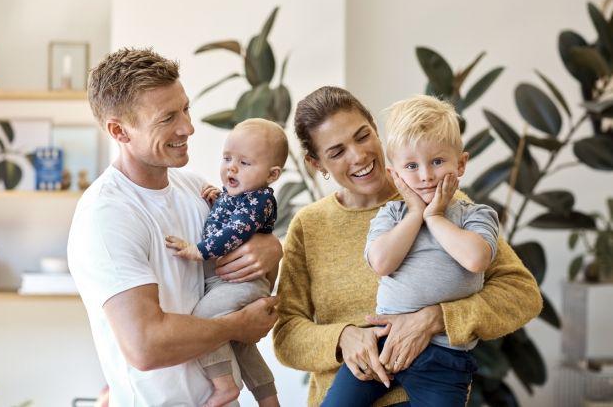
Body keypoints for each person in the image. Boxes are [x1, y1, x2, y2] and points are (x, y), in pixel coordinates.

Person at [272, 86, 543, 406]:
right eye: (337, 151)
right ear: (316, 164)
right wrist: (343, 337)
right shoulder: (309, 225)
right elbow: (287, 333)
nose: (358, 156)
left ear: (376, 129)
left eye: (362, 136)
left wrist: (437, 319)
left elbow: (522, 294)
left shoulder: (445, 206)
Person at [67, 48, 282, 406]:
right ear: (120, 130)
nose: (188, 127)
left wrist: (270, 251)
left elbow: (248, 295)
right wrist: (236, 327)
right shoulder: (106, 216)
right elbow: (145, 345)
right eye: (167, 117)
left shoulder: (199, 190)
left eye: (185, 109)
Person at [321, 95, 499, 406]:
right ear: (396, 175)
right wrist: (416, 214)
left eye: (438, 162)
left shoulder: (475, 215)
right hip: (381, 342)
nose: (426, 175)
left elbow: (476, 259)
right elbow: (380, 262)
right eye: (412, 166)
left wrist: (435, 217)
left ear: (461, 164)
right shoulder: (391, 215)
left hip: (444, 357)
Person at [166, 118, 288, 407]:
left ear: (271, 174)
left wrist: (199, 250)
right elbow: (228, 214)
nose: (231, 167)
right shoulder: (236, 195)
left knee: (202, 322)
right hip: (230, 284)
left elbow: (236, 231)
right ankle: (268, 399)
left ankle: (224, 386)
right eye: (227, 158)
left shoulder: (260, 201)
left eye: (245, 163)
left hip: (240, 284)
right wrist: (217, 199)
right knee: (242, 346)